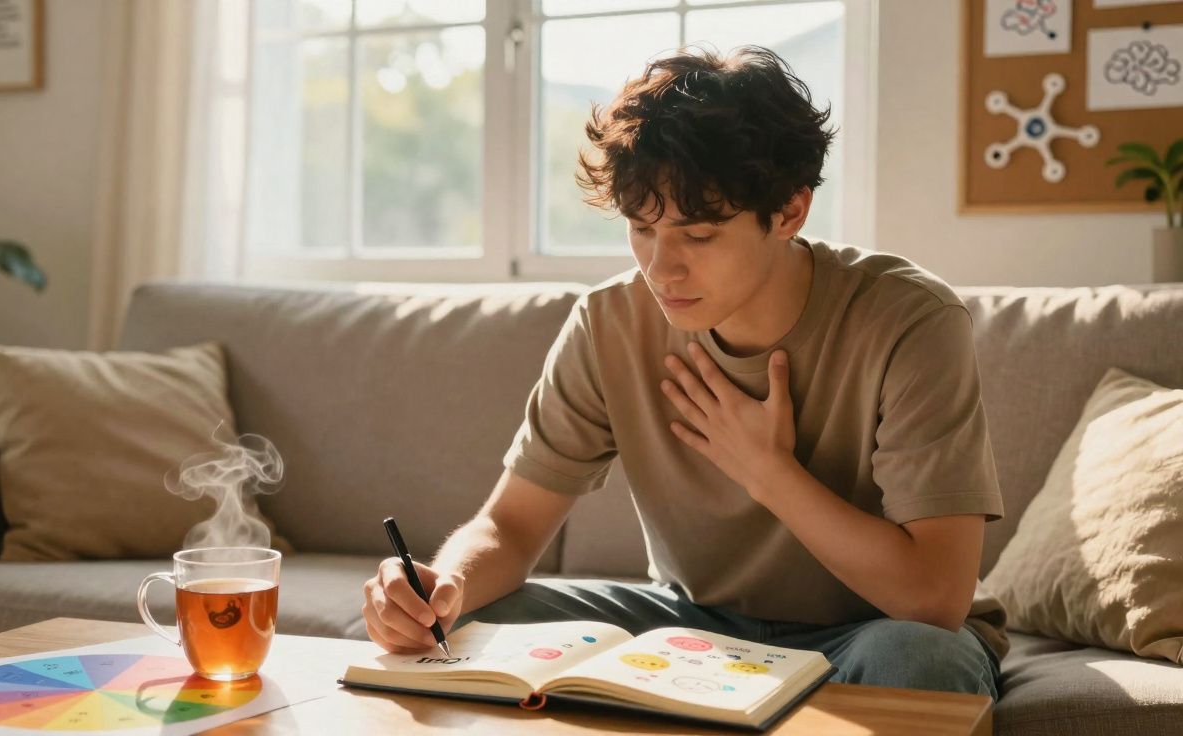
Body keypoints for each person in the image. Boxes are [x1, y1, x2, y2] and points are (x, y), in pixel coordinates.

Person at [360, 45, 1007, 700]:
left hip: (871, 631)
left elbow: (934, 597)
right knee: (473, 624)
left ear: (789, 212)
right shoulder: (610, 322)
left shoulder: (909, 320)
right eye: (642, 230)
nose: (660, 270)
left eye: (698, 236)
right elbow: (512, 525)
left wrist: (769, 473)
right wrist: (442, 588)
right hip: (692, 625)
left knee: (922, 660)